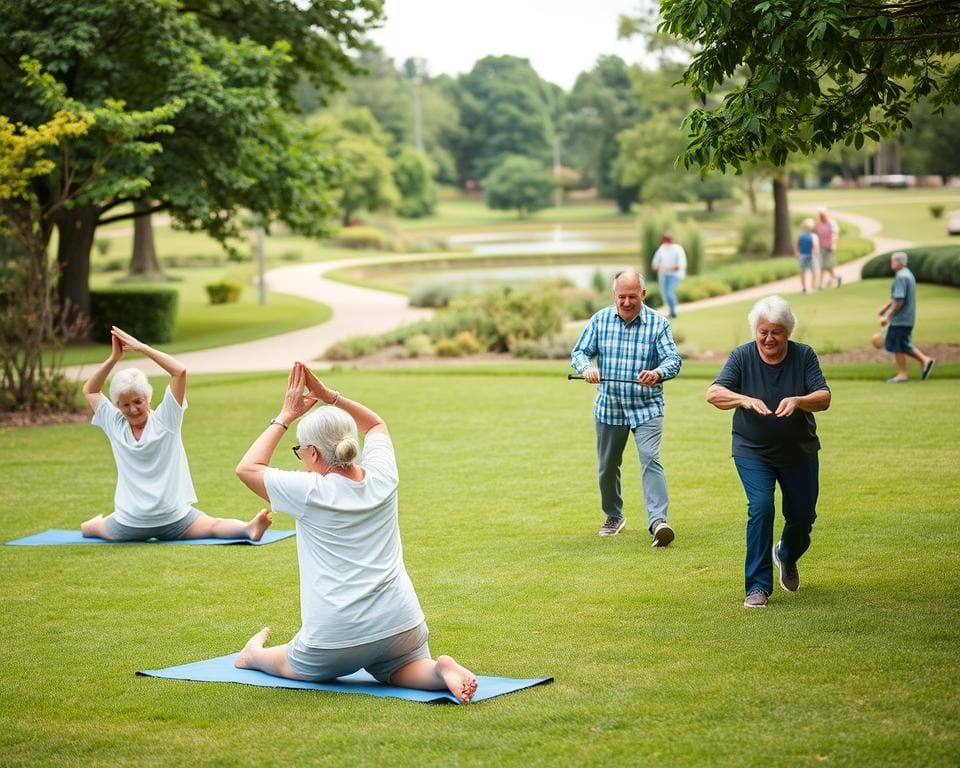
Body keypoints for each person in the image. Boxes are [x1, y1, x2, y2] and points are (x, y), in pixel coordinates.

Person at [233, 362, 477, 703]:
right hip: (401, 623)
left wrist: (285, 415)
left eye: (300, 451)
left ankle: (252, 653)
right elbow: (375, 423)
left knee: (280, 662)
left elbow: (246, 468)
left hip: (336, 638)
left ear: (313, 452)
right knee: (402, 668)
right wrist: (328, 396)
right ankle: (439, 670)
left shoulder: (310, 491)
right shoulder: (382, 476)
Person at [81, 326, 272, 542]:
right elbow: (178, 371)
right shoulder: (165, 420)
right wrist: (140, 349)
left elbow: (90, 390)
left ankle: (249, 528)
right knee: (213, 525)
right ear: (117, 405)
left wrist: (116, 357)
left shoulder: (127, 423)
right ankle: (247, 529)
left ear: (148, 397)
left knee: (89, 528)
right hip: (171, 520)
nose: (133, 409)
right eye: (125, 405)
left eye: (137, 401)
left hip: (130, 524)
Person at [706, 296, 831, 608]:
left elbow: (824, 397)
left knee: (802, 517)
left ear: (787, 332)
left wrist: (800, 400)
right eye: (763, 331)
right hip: (752, 451)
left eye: (776, 331)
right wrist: (743, 400)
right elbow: (714, 393)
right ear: (755, 331)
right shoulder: (742, 357)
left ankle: (786, 555)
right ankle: (757, 586)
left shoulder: (803, 356)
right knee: (761, 507)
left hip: (798, 451)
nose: (769, 338)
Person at [570, 270, 682, 546]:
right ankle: (614, 515)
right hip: (610, 407)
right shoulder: (600, 320)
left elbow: (673, 360)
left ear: (643, 294)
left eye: (633, 296)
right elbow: (579, 353)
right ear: (614, 295)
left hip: (647, 408)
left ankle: (659, 522)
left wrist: (657, 373)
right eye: (622, 297)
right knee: (607, 467)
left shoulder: (658, 324)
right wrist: (587, 368)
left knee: (650, 459)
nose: (627, 302)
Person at [879, 251, 935, 383]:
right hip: (907, 318)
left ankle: (903, 374)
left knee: (898, 345)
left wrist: (888, 316)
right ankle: (925, 360)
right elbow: (897, 297)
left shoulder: (901, 277)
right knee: (903, 344)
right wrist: (885, 308)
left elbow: (899, 299)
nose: (891, 263)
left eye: (893, 261)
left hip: (900, 319)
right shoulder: (907, 274)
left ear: (898, 262)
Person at [651, 231, 687, 319]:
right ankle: (671, 311)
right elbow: (654, 264)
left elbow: (680, 265)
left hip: (675, 275)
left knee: (669, 293)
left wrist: (667, 268)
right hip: (664, 275)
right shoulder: (661, 249)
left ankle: (674, 312)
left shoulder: (677, 249)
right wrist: (659, 267)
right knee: (665, 294)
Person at [814, 208, 841, 289]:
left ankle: (822, 283)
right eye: (821, 215)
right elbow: (816, 235)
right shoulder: (818, 224)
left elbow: (834, 235)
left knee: (826, 265)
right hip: (821, 246)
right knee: (824, 265)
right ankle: (835, 278)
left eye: (823, 215)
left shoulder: (831, 223)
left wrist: (833, 244)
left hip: (829, 247)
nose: (822, 217)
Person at [794, 218, 821, 293]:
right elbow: (816, 246)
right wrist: (817, 254)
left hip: (803, 255)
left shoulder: (800, 235)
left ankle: (804, 287)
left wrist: (796, 253)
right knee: (813, 271)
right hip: (810, 256)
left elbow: (796, 245)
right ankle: (811, 286)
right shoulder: (813, 236)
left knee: (803, 272)